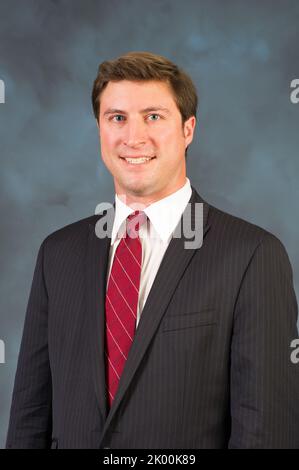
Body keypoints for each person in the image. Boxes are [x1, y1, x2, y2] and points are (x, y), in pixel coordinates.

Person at [6, 51, 299, 449]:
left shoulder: (252, 256)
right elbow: (29, 417)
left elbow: (266, 432)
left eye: (154, 116)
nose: (133, 138)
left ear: (188, 129)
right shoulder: (57, 254)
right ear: (100, 129)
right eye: (117, 118)